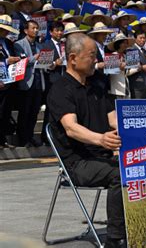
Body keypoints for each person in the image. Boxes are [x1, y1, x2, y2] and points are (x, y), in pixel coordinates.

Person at [47, 32, 125, 248]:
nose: (96, 60)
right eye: (92, 55)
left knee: (143, 165)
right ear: (73, 58)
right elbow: (71, 129)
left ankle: (143, 224)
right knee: (121, 174)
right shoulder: (61, 90)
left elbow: (114, 120)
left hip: (101, 156)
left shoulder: (97, 86)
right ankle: (116, 238)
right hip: (77, 163)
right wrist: (100, 139)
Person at [14, 20, 45, 147]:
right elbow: (21, 62)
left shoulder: (39, 46)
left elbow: (42, 64)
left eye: (37, 28)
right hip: (26, 83)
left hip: (38, 82)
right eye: (33, 28)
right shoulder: (18, 44)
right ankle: (22, 139)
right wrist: (35, 58)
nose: (36, 30)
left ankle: (30, 136)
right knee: (24, 112)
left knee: (34, 112)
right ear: (26, 31)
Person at [0, 15, 20, 148]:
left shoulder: (8, 42)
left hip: (9, 81)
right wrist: (7, 61)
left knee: (5, 112)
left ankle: (2, 140)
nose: (6, 32)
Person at [127, 32, 146, 99]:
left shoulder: (144, 50)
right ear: (135, 39)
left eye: (144, 38)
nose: (143, 40)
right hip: (137, 85)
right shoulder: (131, 49)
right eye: (140, 38)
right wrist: (143, 67)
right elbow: (131, 67)